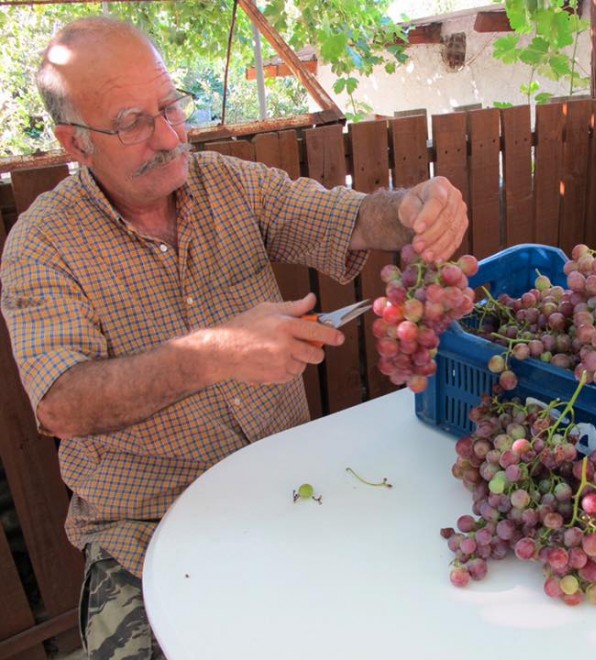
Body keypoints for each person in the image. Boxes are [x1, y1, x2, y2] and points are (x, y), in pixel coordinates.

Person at [0, 16, 467, 659]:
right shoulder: (42, 245)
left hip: (289, 489)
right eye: (133, 122)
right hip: (145, 530)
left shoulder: (227, 183)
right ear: (74, 143)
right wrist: (212, 354)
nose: (167, 136)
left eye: (171, 106)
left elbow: (349, 217)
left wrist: (412, 206)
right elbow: (61, 404)